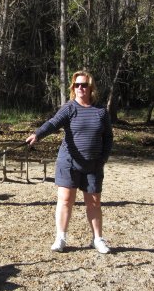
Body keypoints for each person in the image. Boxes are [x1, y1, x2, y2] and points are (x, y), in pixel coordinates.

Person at [26, 70, 113, 253]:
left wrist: (103, 159)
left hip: (93, 164)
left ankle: (97, 239)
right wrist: (38, 134)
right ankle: (61, 238)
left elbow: (108, 138)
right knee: (65, 199)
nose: (80, 88)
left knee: (94, 202)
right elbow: (53, 123)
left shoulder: (101, 111)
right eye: (76, 85)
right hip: (69, 161)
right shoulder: (70, 108)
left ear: (91, 88)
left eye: (84, 85)